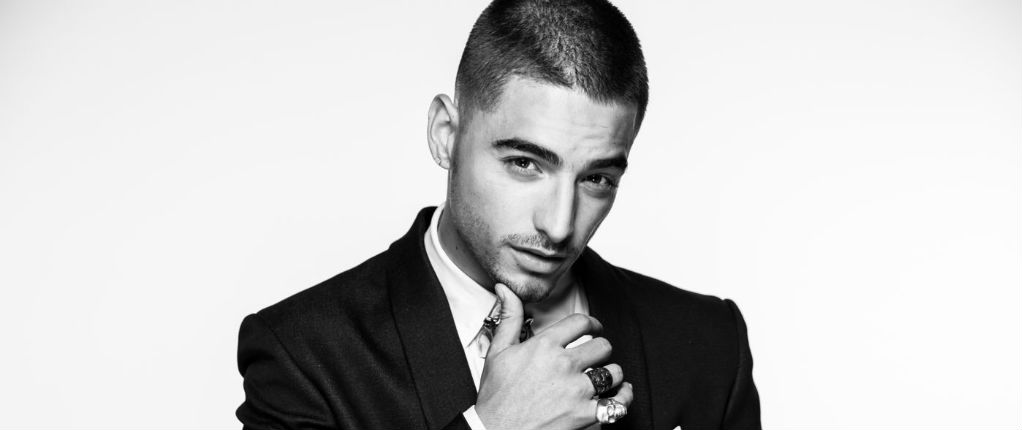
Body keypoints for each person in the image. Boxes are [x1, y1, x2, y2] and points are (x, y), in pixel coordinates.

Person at [236, 0, 761, 428]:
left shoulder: (708, 342)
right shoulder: (302, 355)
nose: (559, 225)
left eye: (596, 179)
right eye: (524, 164)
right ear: (446, 135)